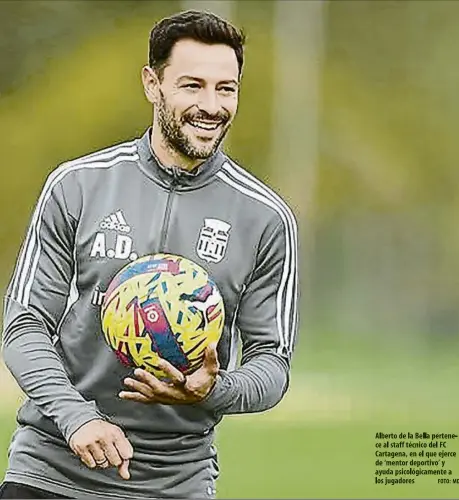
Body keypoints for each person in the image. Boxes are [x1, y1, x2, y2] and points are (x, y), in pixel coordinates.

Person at [0, 9, 299, 500]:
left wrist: (214, 388)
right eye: (192, 85)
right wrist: (77, 419)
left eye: (227, 88)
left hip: (173, 484)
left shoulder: (266, 218)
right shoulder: (77, 185)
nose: (211, 105)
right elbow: (24, 326)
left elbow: (272, 363)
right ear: (152, 84)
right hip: (49, 472)